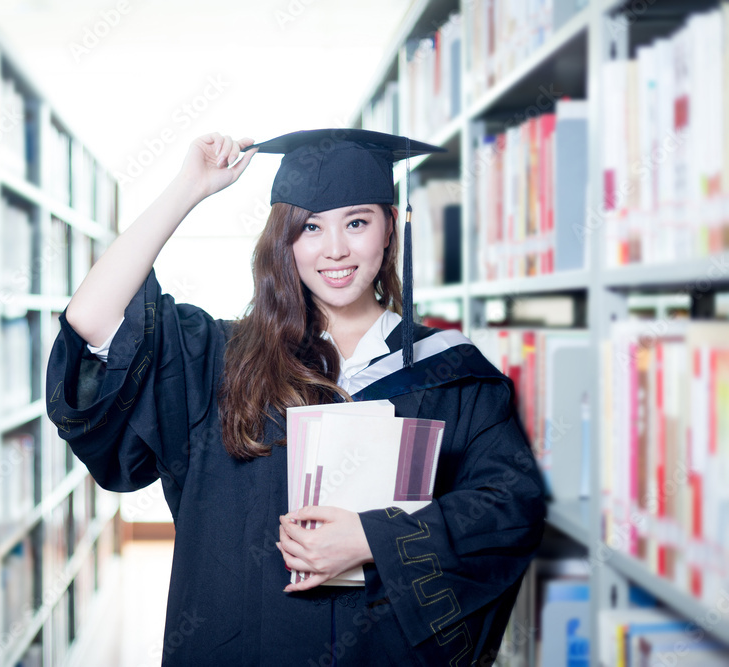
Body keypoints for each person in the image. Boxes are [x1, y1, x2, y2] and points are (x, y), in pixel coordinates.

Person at [46, 129, 546, 665]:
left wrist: (375, 537)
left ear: (389, 231)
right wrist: (188, 188)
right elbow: (93, 319)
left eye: (357, 222)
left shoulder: (450, 371)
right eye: (310, 227)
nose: (335, 249)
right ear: (284, 241)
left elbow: (508, 508)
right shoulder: (221, 359)